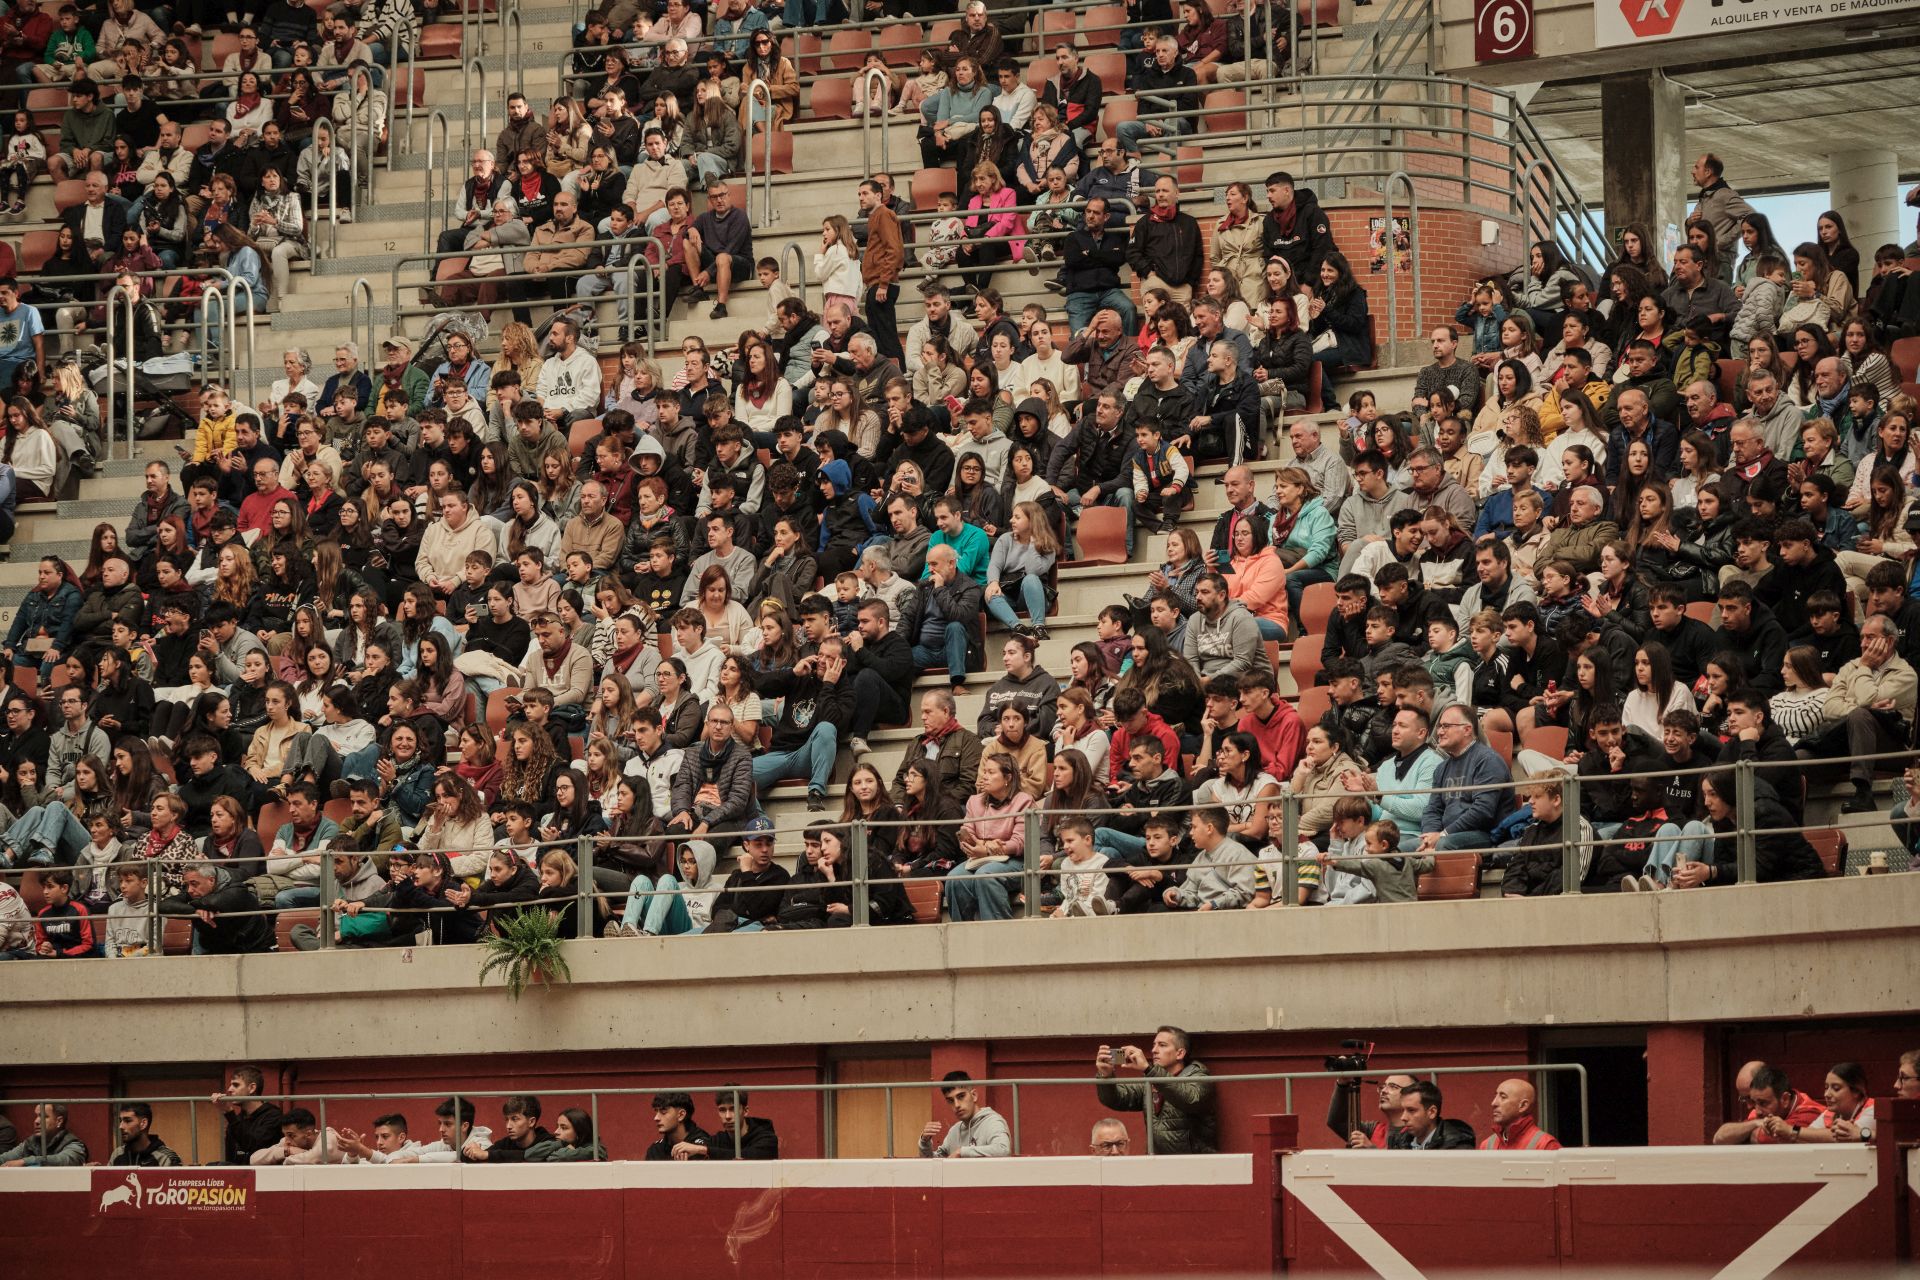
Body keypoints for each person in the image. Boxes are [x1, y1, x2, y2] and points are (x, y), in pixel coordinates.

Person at [1093, 1026, 1217, 1154]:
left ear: (1180, 1053)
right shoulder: (1151, 1080)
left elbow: (1190, 1099)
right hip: (1157, 1161)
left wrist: (1148, 1069)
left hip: (1195, 1161)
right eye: (1154, 1045)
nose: (1154, 1050)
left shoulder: (1199, 1075)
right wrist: (1106, 1075)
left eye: (1162, 1045)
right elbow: (1115, 1099)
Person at [1713, 1063, 1826, 1145]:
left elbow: (1763, 1138)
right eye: (1754, 1102)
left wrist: (1744, 1134)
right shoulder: (1761, 1111)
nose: (1757, 1111)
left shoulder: (1810, 1112)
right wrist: (1756, 1123)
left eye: (1763, 1103)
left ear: (1785, 1099)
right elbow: (1720, 1137)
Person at [919, 1071, 1010, 1158]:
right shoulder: (954, 1131)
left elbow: (1003, 1150)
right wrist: (924, 1142)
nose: (956, 1105)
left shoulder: (992, 1122)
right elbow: (935, 1162)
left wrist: (962, 1152)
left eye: (961, 1096)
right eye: (951, 1100)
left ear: (974, 1095)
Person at [212, 1064, 286, 1165]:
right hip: (238, 1173)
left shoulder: (273, 1116)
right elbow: (231, 1156)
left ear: (252, 1088)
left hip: (262, 1172)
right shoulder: (238, 1119)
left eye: (236, 1085)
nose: (229, 1089)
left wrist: (229, 1112)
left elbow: (252, 1148)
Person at [1327, 1073, 1419, 1149]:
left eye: (1393, 1087)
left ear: (1412, 1095)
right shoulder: (1373, 1130)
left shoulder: (1419, 1132)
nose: (1383, 1091)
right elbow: (1337, 1122)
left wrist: (1372, 1151)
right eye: (1383, 1086)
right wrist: (1342, 1083)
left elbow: (1407, 1164)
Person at [1390, 1081, 1476, 1150]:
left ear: (1432, 1112)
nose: (1403, 1117)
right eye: (1403, 1110)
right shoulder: (1398, 1142)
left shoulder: (1456, 1145)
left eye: (1411, 1110)